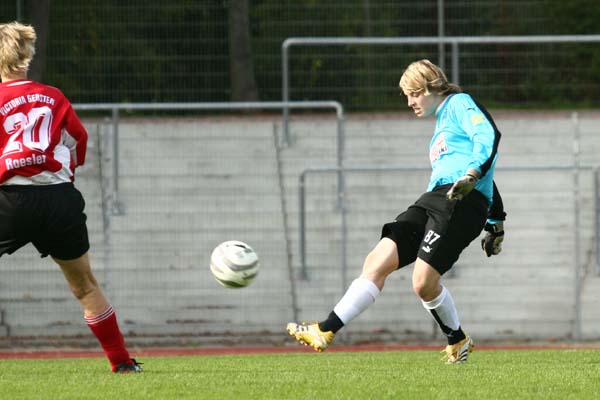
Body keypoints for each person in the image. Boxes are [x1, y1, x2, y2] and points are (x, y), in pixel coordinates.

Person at [287, 59, 506, 364]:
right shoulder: (441, 125)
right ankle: (325, 330)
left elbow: (488, 136)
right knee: (377, 260)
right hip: (434, 199)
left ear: (431, 87)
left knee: (422, 283)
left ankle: (457, 342)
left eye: (414, 94)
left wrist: (473, 177)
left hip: (458, 204)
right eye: (407, 96)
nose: (410, 102)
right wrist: (496, 222)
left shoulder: (458, 103)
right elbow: (487, 181)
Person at [0, 22, 141, 373]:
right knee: (84, 285)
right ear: (28, 56)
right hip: (58, 198)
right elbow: (78, 140)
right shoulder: (54, 96)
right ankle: (122, 363)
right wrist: (63, 174)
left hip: (9, 199)